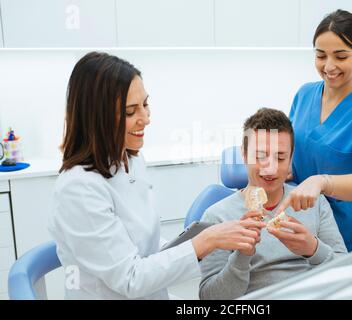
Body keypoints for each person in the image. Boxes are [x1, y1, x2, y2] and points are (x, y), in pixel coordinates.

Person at [48, 52, 264, 299]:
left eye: (145, 104)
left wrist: (208, 244)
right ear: (97, 118)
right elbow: (130, 279)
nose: (146, 119)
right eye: (131, 112)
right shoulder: (78, 189)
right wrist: (205, 241)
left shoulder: (132, 161)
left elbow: (144, 247)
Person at [199, 108, 348, 300]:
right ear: (244, 155)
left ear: (291, 158)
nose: (270, 168)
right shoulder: (217, 217)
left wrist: (313, 249)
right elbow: (210, 298)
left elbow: (347, 273)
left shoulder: (314, 202)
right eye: (260, 156)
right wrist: (242, 255)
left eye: (280, 157)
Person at [278, 10, 352, 253]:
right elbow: (288, 146)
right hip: (300, 222)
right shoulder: (305, 93)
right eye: (320, 55)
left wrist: (322, 181)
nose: (329, 66)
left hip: (344, 230)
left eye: (340, 56)